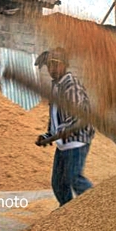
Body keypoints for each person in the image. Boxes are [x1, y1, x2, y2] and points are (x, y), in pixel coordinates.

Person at [34, 47, 95, 206]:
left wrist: (55, 135)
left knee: (74, 178)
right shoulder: (56, 86)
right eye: (49, 66)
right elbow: (55, 117)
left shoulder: (71, 86)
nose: (51, 70)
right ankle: (67, 214)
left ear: (65, 65)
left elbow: (75, 120)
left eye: (55, 65)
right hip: (63, 142)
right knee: (58, 183)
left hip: (76, 140)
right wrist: (48, 135)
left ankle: (101, 208)